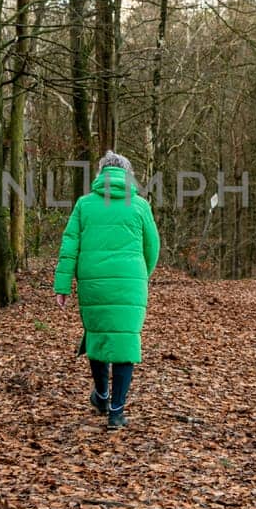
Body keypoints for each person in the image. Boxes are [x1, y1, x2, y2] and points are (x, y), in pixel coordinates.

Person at [53, 150, 160, 430]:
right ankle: (116, 411)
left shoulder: (84, 205)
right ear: (128, 175)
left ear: (101, 174)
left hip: (94, 281)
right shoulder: (139, 205)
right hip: (131, 281)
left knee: (98, 336)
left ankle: (101, 395)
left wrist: (63, 285)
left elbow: (69, 246)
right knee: (125, 342)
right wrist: (140, 276)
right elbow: (153, 247)